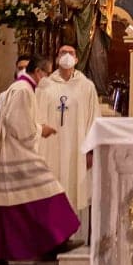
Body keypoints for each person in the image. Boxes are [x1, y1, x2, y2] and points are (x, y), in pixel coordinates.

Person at [0, 57, 80, 264]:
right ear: (38, 72)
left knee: (8, 206)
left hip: (13, 152)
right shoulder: (22, 89)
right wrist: (41, 129)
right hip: (17, 153)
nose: (47, 78)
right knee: (50, 189)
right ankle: (55, 239)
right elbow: (18, 125)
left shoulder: (22, 88)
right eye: (47, 74)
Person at [37, 43, 101, 235]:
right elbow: (36, 118)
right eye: (62, 53)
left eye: (70, 53)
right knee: (51, 191)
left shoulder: (87, 86)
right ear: (57, 58)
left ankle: (76, 237)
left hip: (78, 151)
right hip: (50, 149)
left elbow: (94, 120)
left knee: (77, 190)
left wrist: (91, 150)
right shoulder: (45, 85)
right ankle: (51, 237)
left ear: (77, 59)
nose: (66, 56)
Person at [61, 0, 130, 97]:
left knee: (98, 57)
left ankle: (99, 91)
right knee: (79, 55)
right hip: (79, 27)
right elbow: (68, 3)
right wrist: (68, 1)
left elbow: (109, 0)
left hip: (96, 26)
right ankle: (77, 89)